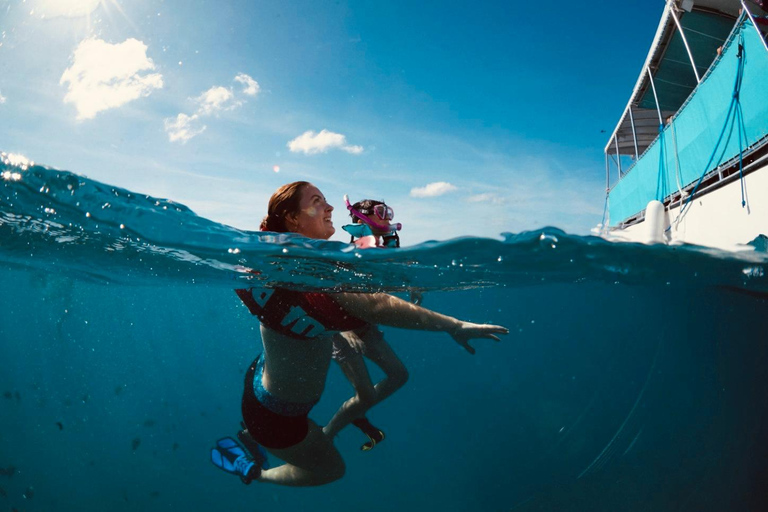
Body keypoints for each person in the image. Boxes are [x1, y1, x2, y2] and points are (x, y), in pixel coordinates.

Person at [210, 181, 508, 487]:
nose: (330, 208)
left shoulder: (278, 263)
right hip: (279, 418)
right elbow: (375, 306)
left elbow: (350, 296)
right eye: (317, 201)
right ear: (293, 218)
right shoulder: (310, 270)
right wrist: (454, 326)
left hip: (264, 384)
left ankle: (250, 433)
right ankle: (252, 471)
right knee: (330, 470)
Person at [322, 197, 408, 451]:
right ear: (361, 219)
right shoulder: (347, 255)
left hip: (364, 325)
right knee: (366, 394)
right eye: (382, 212)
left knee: (400, 375)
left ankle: (356, 412)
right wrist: (344, 330)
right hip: (338, 330)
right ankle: (328, 434)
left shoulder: (386, 250)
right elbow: (324, 295)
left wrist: (411, 283)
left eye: (389, 211)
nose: (389, 217)